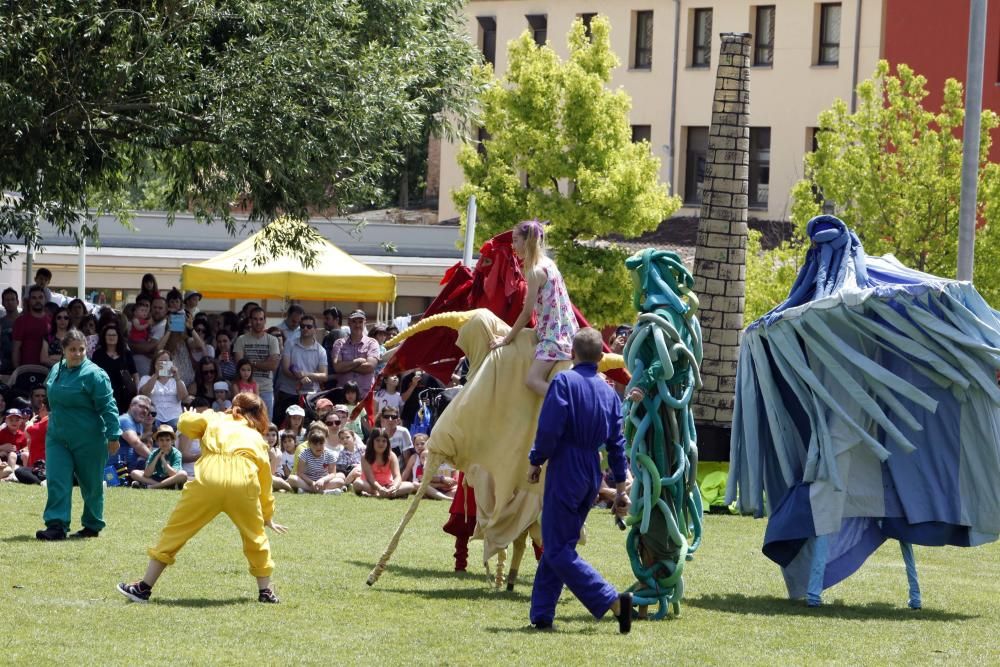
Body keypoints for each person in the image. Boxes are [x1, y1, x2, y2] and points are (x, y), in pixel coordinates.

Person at [117, 392, 287, 603]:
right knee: (255, 536)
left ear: (234, 406)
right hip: (243, 482)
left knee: (176, 531)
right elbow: (265, 482)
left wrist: (189, 414)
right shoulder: (256, 438)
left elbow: (185, 425)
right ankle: (266, 593)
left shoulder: (214, 417)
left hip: (209, 478)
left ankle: (143, 588)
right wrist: (267, 515)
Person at [526, 327, 632, 633]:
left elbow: (549, 429)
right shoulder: (610, 393)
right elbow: (617, 443)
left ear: (571, 354)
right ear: (601, 357)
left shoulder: (563, 381)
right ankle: (542, 614)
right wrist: (621, 484)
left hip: (566, 467)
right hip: (591, 471)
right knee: (559, 544)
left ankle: (612, 600)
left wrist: (536, 460)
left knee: (558, 549)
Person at [36, 329, 122, 540]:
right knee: (57, 480)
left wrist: (113, 435)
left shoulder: (95, 374)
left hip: (89, 439)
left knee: (91, 486)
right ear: (63, 350)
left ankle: (92, 525)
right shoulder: (56, 370)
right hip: (57, 437)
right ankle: (56, 525)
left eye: (81, 349)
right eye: (72, 349)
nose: (77, 353)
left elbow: (108, 406)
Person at [490, 219, 578, 397]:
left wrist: (506, 340)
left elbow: (526, 313)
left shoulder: (534, 272)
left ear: (528, 241)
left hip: (554, 338)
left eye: (515, 240)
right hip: (568, 330)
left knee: (532, 380)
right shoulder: (549, 263)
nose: (513, 246)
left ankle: (568, 402)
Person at [274, 313, 327, 421]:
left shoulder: (321, 350)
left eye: (309, 326)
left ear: (315, 329)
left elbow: (324, 375)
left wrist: (304, 375)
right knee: (282, 425)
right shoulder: (290, 344)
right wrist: (301, 378)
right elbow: (285, 368)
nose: (305, 329)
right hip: (288, 392)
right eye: (302, 326)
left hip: (310, 395)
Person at [233, 306, 281, 419]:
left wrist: (251, 362)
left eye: (261, 319)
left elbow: (273, 365)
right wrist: (264, 363)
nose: (258, 322)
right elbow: (240, 364)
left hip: (266, 389)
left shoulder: (272, 340)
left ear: (265, 320)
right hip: (245, 389)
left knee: (266, 426)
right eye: (255, 319)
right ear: (250, 320)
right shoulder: (241, 339)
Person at [330, 310, 380, 398]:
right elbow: (337, 367)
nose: (357, 325)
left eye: (360, 322)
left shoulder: (372, 343)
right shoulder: (339, 343)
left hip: (365, 396)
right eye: (354, 322)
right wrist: (358, 361)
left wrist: (346, 366)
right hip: (343, 396)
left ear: (365, 323)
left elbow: (370, 367)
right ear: (349, 323)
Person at [353, 427, 414, 498]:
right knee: (357, 484)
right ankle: (385, 494)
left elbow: (397, 476)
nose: (381, 443)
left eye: (384, 441)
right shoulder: (365, 456)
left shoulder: (391, 455)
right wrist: (379, 488)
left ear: (387, 443)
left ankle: (380, 495)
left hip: (388, 485)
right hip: (371, 485)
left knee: (410, 486)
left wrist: (394, 487)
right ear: (372, 441)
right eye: (377, 440)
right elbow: (370, 479)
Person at [92, 323, 139, 414]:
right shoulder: (97, 354)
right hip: (104, 393)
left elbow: (135, 374)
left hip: (124, 394)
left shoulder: (126, 354)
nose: (111, 337)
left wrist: (136, 391)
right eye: (108, 335)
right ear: (104, 337)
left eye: (114, 335)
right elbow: (93, 375)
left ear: (118, 337)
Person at [139, 350, 188, 428]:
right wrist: (156, 374)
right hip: (154, 417)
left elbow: (182, 397)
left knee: (177, 425)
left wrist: (177, 377)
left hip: (174, 417)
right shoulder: (146, 378)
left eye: (166, 361)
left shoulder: (177, 381)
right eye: (161, 362)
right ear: (155, 364)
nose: (163, 364)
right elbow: (144, 394)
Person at [129, 424, 188, 489]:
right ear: (157, 442)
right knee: (134, 473)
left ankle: (151, 487)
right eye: (161, 440)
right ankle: (164, 486)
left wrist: (163, 460)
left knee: (183, 474)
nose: (164, 443)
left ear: (172, 441)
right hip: (158, 478)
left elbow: (173, 474)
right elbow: (147, 474)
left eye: (167, 440)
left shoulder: (176, 453)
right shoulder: (154, 453)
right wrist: (157, 457)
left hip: (172, 478)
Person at [109, 395, 153, 478]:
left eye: (147, 409)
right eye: (141, 406)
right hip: (116, 470)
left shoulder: (139, 425)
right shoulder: (125, 420)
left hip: (130, 468)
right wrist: (154, 459)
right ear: (131, 406)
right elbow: (136, 443)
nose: (145, 411)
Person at [287, 423, 339, 494]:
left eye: (321, 443)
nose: (318, 447)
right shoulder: (304, 454)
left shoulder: (330, 454)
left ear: (325, 443)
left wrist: (323, 480)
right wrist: (311, 483)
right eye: (315, 444)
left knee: (340, 481)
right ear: (309, 444)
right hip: (307, 481)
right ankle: (322, 492)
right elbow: (300, 473)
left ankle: (306, 490)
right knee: (291, 478)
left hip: (323, 481)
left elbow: (333, 473)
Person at [13, 285, 51, 367]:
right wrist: (17, 371)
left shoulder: (53, 321)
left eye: (40, 297)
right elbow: (16, 349)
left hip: (48, 371)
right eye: (34, 298)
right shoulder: (21, 321)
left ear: (45, 300)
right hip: (26, 370)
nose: (38, 300)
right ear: (29, 301)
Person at [1, 287, 20, 374]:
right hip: (4, 367)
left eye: (12, 299)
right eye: (7, 300)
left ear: (18, 302)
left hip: (22, 366)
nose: (10, 302)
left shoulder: (25, 321)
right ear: (3, 303)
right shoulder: (1, 323)